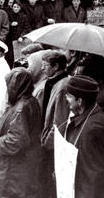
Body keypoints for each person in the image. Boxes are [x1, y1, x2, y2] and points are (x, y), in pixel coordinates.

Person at [0, 68, 42, 197]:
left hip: (14, 170)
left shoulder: (21, 107)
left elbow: (15, 141)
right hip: (22, 167)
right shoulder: (30, 101)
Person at [59, 75, 104, 198]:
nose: (66, 98)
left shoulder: (92, 130)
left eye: (69, 96)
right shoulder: (86, 115)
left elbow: (92, 177)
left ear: (80, 101)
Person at [40, 50, 70, 197]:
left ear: (56, 66)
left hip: (53, 147)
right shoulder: (53, 82)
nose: (41, 69)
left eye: (45, 65)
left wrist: (47, 142)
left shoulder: (63, 86)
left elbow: (59, 122)